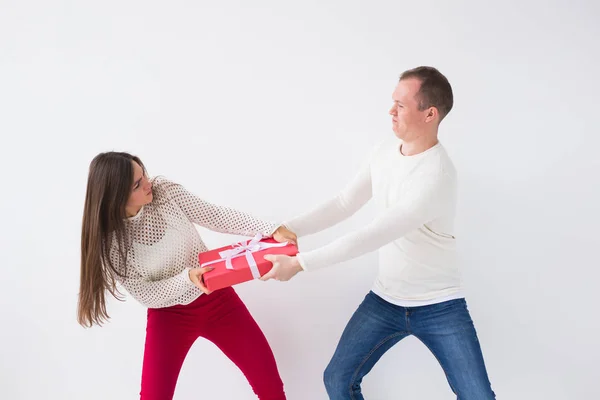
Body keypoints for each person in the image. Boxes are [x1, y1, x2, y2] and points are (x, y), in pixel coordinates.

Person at [261, 66, 496, 399]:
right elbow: (344, 202)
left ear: (429, 114)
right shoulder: (385, 150)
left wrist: (300, 263)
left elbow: (373, 235)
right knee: (338, 379)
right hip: (385, 301)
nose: (391, 111)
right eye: (393, 102)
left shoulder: (436, 176)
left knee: (478, 396)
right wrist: (289, 228)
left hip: (440, 305)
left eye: (401, 104)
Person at [77, 152, 296, 400]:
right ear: (116, 197)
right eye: (138, 184)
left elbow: (214, 215)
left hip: (218, 300)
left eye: (144, 173)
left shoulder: (164, 192)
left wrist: (271, 229)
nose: (148, 183)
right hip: (169, 316)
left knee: (269, 383)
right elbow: (146, 293)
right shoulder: (111, 242)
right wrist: (187, 278)